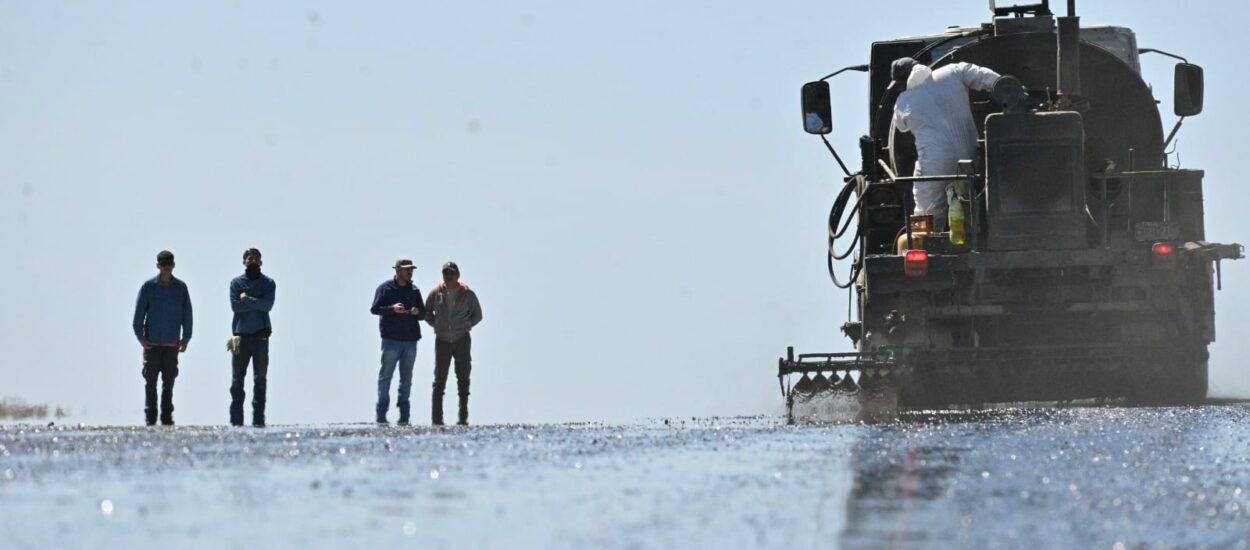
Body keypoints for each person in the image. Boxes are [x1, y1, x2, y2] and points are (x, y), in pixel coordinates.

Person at [891, 58, 1001, 230]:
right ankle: (973, 234)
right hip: (969, 154)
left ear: (904, 80)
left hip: (934, 162)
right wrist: (1003, 86)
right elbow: (984, 76)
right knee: (967, 198)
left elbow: (901, 126)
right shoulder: (952, 71)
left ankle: (924, 239)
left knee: (925, 206)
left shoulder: (903, 100)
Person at [132, 250, 193, 426]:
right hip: (151, 345)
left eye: (169, 265)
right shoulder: (148, 287)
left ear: (173, 266)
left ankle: (167, 417)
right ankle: (150, 417)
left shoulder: (181, 288)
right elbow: (138, 317)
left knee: (169, 381)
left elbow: (187, 314)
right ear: (158, 266)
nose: (166, 269)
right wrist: (141, 338)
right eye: (163, 265)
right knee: (150, 382)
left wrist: (186, 337)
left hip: (171, 344)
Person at [425, 261, 483, 426]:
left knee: (463, 376)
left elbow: (477, 315)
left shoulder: (468, 294)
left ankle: (463, 417)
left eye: (451, 273)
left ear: (458, 275)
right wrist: (436, 324)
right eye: (446, 273)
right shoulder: (436, 293)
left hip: (462, 339)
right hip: (442, 340)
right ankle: (437, 419)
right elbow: (426, 311)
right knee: (439, 379)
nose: (448, 276)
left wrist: (466, 326)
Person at [370, 259, 426, 425]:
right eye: (407, 270)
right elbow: (374, 309)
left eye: (411, 270)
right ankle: (381, 416)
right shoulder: (385, 288)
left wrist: (417, 312)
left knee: (406, 378)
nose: (410, 272)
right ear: (397, 270)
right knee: (386, 377)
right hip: (391, 340)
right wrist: (392, 309)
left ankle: (404, 417)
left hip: (410, 341)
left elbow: (423, 314)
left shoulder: (415, 291)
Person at [228, 248, 276, 427]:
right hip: (240, 336)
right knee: (237, 380)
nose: (253, 261)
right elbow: (235, 307)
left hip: (261, 336)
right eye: (249, 258)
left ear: (261, 262)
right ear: (244, 262)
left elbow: (267, 305)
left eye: (256, 258)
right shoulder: (236, 283)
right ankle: (236, 422)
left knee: (260, 379)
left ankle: (258, 421)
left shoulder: (268, 283)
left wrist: (246, 299)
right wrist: (255, 303)